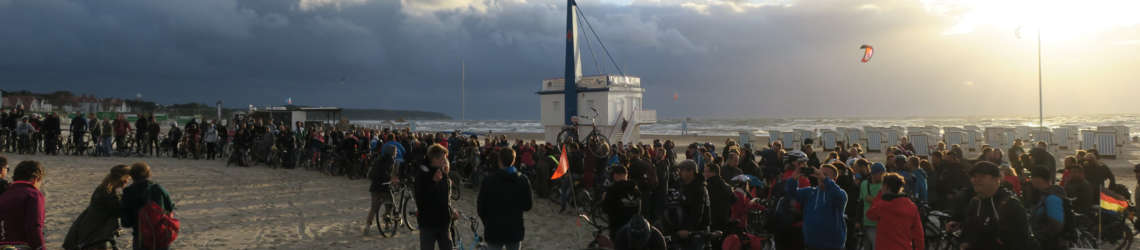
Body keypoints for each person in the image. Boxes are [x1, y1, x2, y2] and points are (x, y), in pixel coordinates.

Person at [948, 161, 1030, 249]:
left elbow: (1020, 241)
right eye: (974, 176)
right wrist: (963, 237)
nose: (976, 180)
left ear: (996, 179)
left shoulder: (1011, 204)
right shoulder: (975, 202)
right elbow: (970, 229)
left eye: (982, 176)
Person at [63, 165, 132, 250]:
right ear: (122, 179)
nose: (128, 181)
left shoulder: (104, 188)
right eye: (127, 178)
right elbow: (118, 211)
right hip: (96, 231)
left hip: (90, 227)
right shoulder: (107, 193)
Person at [477, 148, 534, 250]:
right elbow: (528, 205)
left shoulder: (489, 180)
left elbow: (481, 207)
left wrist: (487, 222)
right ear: (514, 160)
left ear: (499, 161)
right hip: (514, 229)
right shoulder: (522, 180)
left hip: (494, 229)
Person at [784, 164, 847, 250]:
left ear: (834, 179)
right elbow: (791, 193)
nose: (820, 177)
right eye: (819, 174)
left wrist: (824, 179)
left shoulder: (841, 194)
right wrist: (793, 178)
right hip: (811, 244)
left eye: (825, 175)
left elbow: (837, 195)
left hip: (832, 245)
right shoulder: (810, 192)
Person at [121, 162, 175, 250]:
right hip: (160, 233)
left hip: (141, 236)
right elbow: (170, 208)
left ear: (132, 176)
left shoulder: (128, 192)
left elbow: (126, 222)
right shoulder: (158, 188)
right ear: (148, 174)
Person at [865, 173, 924, 250]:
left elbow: (870, 214)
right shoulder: (911, 206)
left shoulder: (882, 206)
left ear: (886, 187)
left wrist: (880, 196)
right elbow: (918, 233)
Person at [0, 161, 46, 250]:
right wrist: (41, 247)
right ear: (35, 179)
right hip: (22, 245)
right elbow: (34, 226)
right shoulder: (34, 195)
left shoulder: (6, 193)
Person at [416, 144, 454, 250]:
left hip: (444, 222)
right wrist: (433, 182)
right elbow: (420, 200)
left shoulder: (442, 171)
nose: (445, 161)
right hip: (428, 223)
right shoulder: (422, 174)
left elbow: (445, 197)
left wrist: (451, 210)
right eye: (443, 159)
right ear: (434, 159)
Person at [671, 160, 709, 250]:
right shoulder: (682, 185)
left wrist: (688, 230)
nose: (679, 173)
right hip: (681, 230)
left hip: (695, 233)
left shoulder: (699, 189)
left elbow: (698, 213)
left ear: (691, 172)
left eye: (682, 170)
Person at [363, 145, 399, 235]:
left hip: (375, 186)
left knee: (374, 207)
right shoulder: (391, 160)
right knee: (389, 205)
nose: (396, 153)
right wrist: (393, 180)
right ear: (392, 152)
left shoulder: (378, 159)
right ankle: (387, 224)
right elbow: (389, 173)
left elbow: (371, 174)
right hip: (384, 186)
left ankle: (367, 226)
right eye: (395, 151)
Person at [1027, 167, 1066, 250]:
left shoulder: (1052, 198)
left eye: (1031, 178)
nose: (1030, 180)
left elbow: (1056, 225)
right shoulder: (1043, 195)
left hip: (1051, 245)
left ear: (1038, 179)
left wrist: (1040, 236)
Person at [603, 164, 640, 242]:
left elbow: (605, 209)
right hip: (632, 227)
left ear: (615, 175)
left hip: (617, 226)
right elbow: (639, 210)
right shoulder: (636, 190)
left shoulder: (612, 189)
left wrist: (604, 199)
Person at [858, 162, 885, 249]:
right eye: (882, 174)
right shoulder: (864, 184)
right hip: (869, 222)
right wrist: (858, 220)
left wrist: (873, 200)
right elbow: (862, 202)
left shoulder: (885, 185)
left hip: (878, 222)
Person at [704, 163, 734, 233]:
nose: (704, 174)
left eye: (706, 172)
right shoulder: (726, 185)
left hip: (712, 219)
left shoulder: (708, 185)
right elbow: (734, 199)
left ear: (713, 173)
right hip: (725, 218)